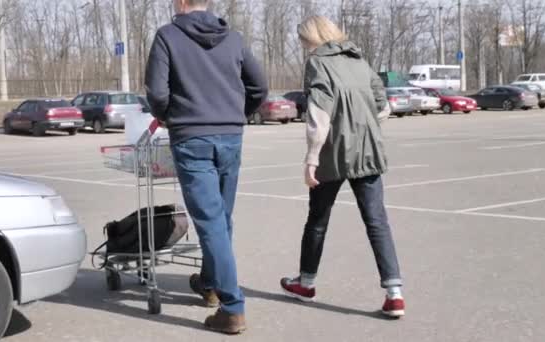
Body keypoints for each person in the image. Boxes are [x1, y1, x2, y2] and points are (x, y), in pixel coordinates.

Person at [144, 0, 267, 334]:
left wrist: (170, 116)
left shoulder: (167, 36)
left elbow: (156, 92)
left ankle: (232, 307)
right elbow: (259, 86)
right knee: (221, 219)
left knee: (212, 222)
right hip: (230, 136)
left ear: (182, 2)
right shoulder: (234, 38)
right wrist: (237, 114)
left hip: (191, 137)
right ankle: (210, 284)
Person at [279, 16, 405, 318]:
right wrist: (362, 126)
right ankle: (395, 294)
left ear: (313, 38)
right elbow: (383, 106)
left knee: (317, 221)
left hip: (332, 153)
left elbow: (319, 114)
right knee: (377, 222)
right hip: (368, 152)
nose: (303, 46)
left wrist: (311, 159)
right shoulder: (359, 61)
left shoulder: (318, 64)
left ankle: (306, 284)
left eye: (303, 40)